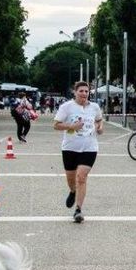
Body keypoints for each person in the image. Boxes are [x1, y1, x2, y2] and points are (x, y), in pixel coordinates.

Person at [53, 81, 104, 223]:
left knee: (81, 177)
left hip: (90, 147)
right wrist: (72, 126)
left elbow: (99, 120)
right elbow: (56, 125)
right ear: (75, 92)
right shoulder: (66, 107)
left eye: (86, 91)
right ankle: (72, 191)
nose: (84, 94)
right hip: (70, 148)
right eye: (81, 91)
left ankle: (78, 210)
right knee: (71, 179)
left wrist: (100, 128)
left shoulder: (94, 107)